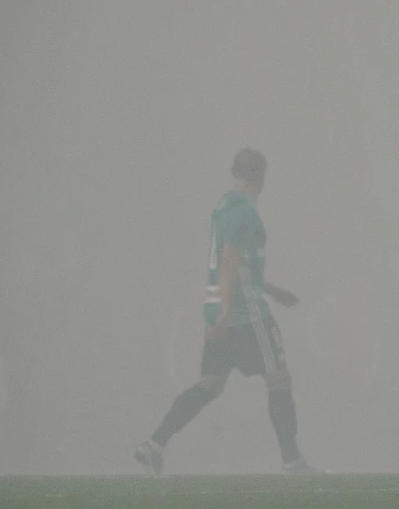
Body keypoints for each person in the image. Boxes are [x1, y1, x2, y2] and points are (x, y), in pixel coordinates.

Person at [134, 149, 317, 474]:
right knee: (279, 378)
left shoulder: (222, 208)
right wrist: (228, 311)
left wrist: (272, 292)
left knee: (210, 384)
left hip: (221, 308)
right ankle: (293, 461)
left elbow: (237, 264)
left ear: (233, 172)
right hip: (246, 316)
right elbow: (231, 259)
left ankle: (155, 444)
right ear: (262, 175)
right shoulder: (246, 211)